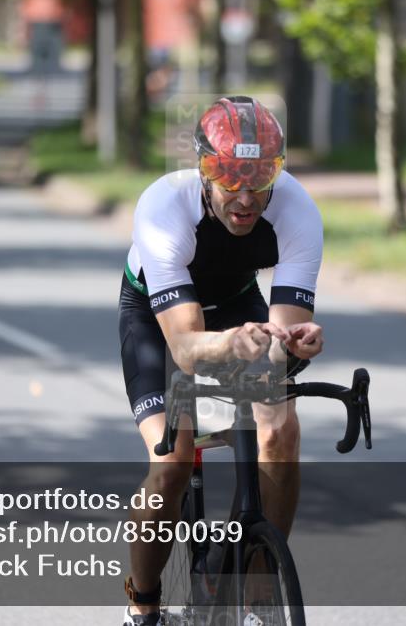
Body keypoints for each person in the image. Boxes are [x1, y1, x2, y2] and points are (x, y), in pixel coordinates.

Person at [118, 96, 325, 626]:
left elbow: (283, 326)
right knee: (172, 461)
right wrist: (235, 343)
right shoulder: (164, 206)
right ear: (202, 168)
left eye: (260, 179)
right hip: (159, 317)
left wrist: (292, 341)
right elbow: (186, 347)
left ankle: (257, 591)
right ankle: (143, 606)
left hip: (237, 303)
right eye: (228, 177)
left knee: (279, 428)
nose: (246, 197)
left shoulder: (297, 210)